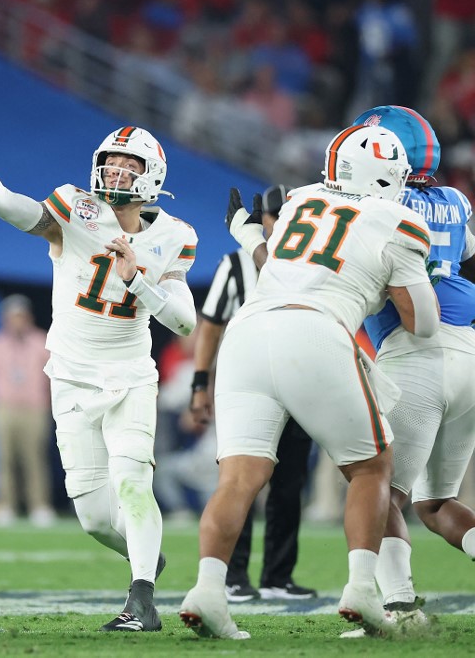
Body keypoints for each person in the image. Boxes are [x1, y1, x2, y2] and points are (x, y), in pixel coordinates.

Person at [179, 124, 439, 640]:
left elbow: (280, 265)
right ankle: (364, 589)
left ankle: (208, 591)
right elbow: (423, 324)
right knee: (371, 467)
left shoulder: (300, 201)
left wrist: (248, 235)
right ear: (386, 175)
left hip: (248, 333)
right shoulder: (397, 219)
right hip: (317, 332)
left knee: (237, 478)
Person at [0, 126, 198, 632]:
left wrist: (137, 280)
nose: (118, 172)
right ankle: (146, 559)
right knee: (94, 517)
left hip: (130, 376)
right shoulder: (74, 208)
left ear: (153, 176)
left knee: (132, 485)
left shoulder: (176, 234)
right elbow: (12, 207)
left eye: (131, 165)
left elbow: (184, 322)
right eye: (113, 161)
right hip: (72, 376)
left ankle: (141, 598)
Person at [346, 105, 475, 633]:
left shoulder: (376, 204)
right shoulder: (456, 200)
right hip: (469, 347)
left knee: (380, 491)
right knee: (437, 503)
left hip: (415, 348)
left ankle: (400, 608)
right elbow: (461, 252)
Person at [188, 184, 317, 603]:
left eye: (287, 215)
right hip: (248, 386)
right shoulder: (237, 263)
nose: (280, 223)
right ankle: (232, 575)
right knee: (241, 480)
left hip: (299, 381)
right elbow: (210, 324)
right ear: (260, 219)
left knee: (290, 483)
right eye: (274, 215)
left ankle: (278, 575)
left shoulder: (317, 261)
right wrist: (199, 383)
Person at [0, 293, 54, 528]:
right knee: (4, 458)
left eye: (20, 316)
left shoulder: (41, 341)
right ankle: (5, 505)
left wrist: (50, 398)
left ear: (27, 317)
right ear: (5, 319)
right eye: (12, 317)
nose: (17, 321)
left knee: (35, 457)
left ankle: (39, 506)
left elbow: (54, 372)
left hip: (34, 407)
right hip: (4, 407)